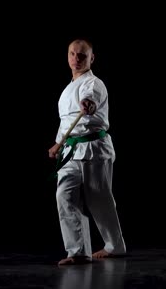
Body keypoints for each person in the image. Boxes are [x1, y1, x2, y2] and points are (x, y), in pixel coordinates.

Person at [48, 39, 126, 266]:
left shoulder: (94, 84)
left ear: (92, 58)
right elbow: (67, 122)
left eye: (82, 55)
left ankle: (115, 247)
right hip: (71, 151)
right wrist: (58, 144)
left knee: (99, 199)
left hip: (94, 150)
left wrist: (89, 104)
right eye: (72, 54)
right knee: (64, 196)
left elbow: (90, 101)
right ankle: (78, 251)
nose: (76, 59)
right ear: (68, 56)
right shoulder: (67, 89)